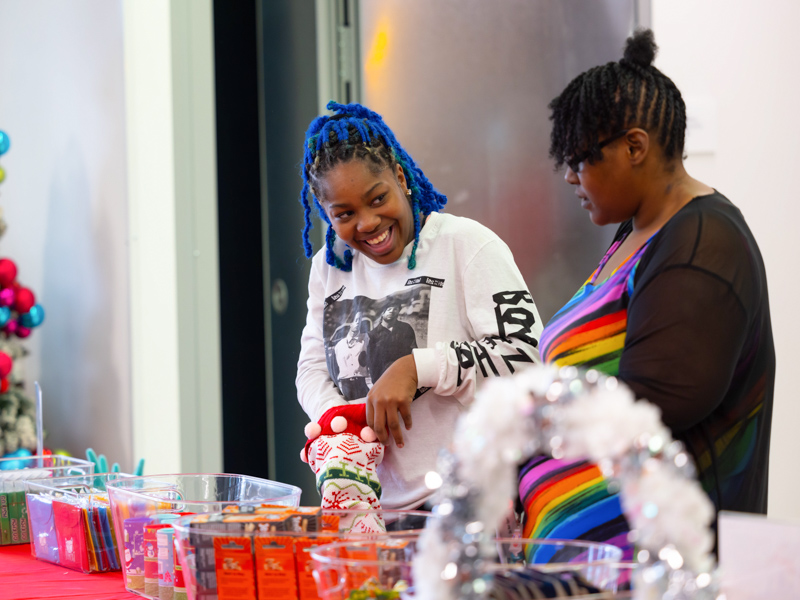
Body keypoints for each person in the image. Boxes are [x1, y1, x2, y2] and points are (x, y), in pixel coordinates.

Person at [519, 29, 775, 554]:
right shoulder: (637, 233)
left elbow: (651, 408)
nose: (569, 177)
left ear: (634, 146)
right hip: (598, 566)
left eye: (579, 159)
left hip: (663, 567)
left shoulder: (705, 241)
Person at [296, 101, 543, 510]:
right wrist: (340, 423)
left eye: (377, 200)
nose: (367, 223)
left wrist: (417, 368)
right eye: (344, 214)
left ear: (398, 176)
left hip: (467, 511)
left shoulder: (466, 245)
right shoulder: (330, 266)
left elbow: (525, 357)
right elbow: (312, 367)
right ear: (326, 214)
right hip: (370, 513)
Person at [365, 300, 417, 383]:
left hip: (403, 375)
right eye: (389, 309)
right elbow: (371, 361)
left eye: (395, 309)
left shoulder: (406, 329)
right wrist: (376, 381)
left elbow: (414, 350)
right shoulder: (372, 335)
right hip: (382, 378)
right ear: (382, 313)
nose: (392, 311)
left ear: (398, 312)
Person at [333, 312, 370, 399]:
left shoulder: (365, 340)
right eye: (356, 320)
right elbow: (334, 367)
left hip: (362, 383)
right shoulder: (339, 345)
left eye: (360, 321)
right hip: (346, 385)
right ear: (350, 323)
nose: (358, 323)